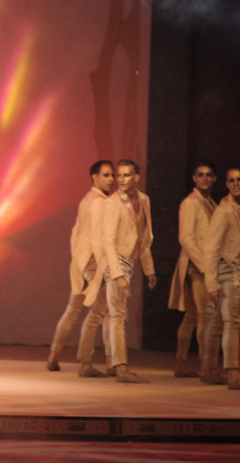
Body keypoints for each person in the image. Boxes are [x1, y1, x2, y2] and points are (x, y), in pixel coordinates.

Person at [46, 160, 115, 377]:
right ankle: (96, 363)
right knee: (102, 313)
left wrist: (78, 259)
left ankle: (53, 357)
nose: (111, 179)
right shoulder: (100, 202)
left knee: (73, 311)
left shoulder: (87, 199)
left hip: (81, 260)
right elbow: (99, 237)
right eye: (106, 175)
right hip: (93, 262)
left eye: (112, 175)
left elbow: (76, 233)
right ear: (94, 177)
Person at [100, 159, 157, 383]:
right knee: (118, 314)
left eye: (126, 175)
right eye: (119, 175)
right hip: (115, 260)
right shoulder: (112, 203)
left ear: (136, 177)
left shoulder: (143, 199)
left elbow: (144, 236)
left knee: (112, 313)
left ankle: (111, 364)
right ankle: (121, 367)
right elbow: (108, 241)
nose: (121, 179)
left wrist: (149, 269)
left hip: (130, 260)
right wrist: (118, 274)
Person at [167, 162, 217, 379]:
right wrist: (204, 266)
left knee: (193, 316)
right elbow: (186, 238)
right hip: (196, 266)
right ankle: (206, 367)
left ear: (214, 178)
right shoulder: (190, 203)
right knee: (204, 315)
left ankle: (182, 364)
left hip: (204, 265)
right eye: (200, 175)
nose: (204, 178)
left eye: (208, 175)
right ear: (194, 178)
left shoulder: (211, 204)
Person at [201, 165, 240, 390]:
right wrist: (211, 282)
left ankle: (208, 369)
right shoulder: (224, 210)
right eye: (232, 180)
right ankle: (233, 371)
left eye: (239, 179)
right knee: (232, 320)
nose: (236, 183)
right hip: (228, 269)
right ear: (226, 184)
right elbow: (210, 247)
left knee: (217, 322)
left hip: (235, 269)